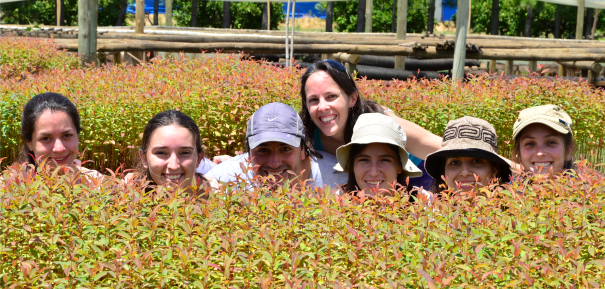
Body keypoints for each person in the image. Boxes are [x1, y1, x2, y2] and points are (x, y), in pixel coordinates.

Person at [300, 60, 441, 189]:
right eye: (313, 99)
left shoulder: (380, 122)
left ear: (353, 98)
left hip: (416, 176)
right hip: (368, 182)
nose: (322, 107)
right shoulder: (305, 134)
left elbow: (443, 148)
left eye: (331, 96)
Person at [204, 102, 347, 189]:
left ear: (304, 150)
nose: (274, 163)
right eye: (263, 150)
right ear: (248, 153)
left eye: (285, 149)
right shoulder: (223, 178)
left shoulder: (339, 179)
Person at [335, 113, 424, 197]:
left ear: (400, 166)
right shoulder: (333, 202)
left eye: (385, 160)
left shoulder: (424, 203)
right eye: (364, 160)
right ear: (352, 166)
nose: (373, 173)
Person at [19, 92, 101, 178]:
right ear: (29, 142)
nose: (59, 148)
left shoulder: (98, 183)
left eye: (66, 135)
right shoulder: (9, 187)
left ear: (77, 136)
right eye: (46, 138)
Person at [424, 116, 512, 194]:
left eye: (476, 161)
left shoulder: (519, 211)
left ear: (495, 169)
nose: (465, 173)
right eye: (455, 163)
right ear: (444, 172)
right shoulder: (428, 212)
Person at [137, 110, 211, 194]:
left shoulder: (217, 195)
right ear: (144, 158)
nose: (174, 166)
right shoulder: (126, 194)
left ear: (199, 158)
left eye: (185, 152)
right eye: (161, 152)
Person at [512, 104, 575, 176]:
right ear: (519, 154)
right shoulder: (507, 186)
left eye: (551, 142)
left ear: (568, 151)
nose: (540, 153)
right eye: (530, 143)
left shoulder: (586, 186)